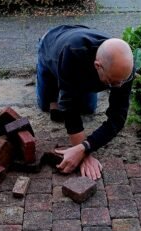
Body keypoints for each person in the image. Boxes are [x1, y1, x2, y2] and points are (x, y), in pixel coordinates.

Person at [36, 25, 135, 180]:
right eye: (113, 82)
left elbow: (118, 118)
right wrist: (83, 154)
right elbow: (70, 109)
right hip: (51, 47)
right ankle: (52, 79)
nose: (119, 87)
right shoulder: (73, 54)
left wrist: (85, 147)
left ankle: (69, 84)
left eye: (122, 81)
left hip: (79, 53)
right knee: (47, 105)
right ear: (98, 66)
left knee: (88, 108)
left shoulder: (124, 69)